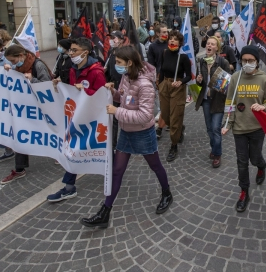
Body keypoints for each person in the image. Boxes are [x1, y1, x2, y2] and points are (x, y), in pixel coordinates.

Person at [80, 46, 172, 228]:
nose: (116, 65)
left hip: (143, 133)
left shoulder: (146, 85)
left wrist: (117, 111)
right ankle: (105, 212)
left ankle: (167, 193)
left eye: (119, 62)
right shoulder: (126, 77)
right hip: (126, 133)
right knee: (117, 170)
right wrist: (113, 92)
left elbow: (145, 116)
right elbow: (122, 98)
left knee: (155, 165)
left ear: (130, 63)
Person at [47, 38, 106, 202]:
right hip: (77, 117)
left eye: (74, 50)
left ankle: (70, 186)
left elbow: (102, 96)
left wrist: (86, 90)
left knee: (86, 149)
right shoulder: (73, 69)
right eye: (70, 50)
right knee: (73, 150)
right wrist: (60, 84)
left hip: (92, 118)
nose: (70, 53)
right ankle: (69, 187)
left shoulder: (96, 71)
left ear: (85, 53)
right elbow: (73, 92)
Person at [221, 45, 266, 212]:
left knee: (254, 158)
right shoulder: (235, 78)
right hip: (239, 127)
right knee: (242, 162)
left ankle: (261, 165)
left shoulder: (265, 80)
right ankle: (244, 190)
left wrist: (264, 107)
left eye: (251, 60)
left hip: (258, 127)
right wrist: (227, 124)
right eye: (244, 60)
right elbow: (230, 102)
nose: (247, 63)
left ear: (257, 62)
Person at [0, 45, 52, 185]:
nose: (13, 63)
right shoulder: (17, 67)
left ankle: (60, 153)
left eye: (14, 60)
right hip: (25, 107)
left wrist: (32, 79)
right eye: (10, 61)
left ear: (21, 55)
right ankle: (19, 168)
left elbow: (47, 85)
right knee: (20, 134)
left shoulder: (38, 65)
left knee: (51, 131)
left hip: (41, 107)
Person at [195, 37, 231, 168]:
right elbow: (200, 82)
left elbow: (229, 82)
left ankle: (217, 154)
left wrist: (220, 81)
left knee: (216, 128)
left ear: (217, 48)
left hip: (218, 100)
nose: (209, 46)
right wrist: (199, 80)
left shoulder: (223, 62)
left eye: (212, 44)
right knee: (209, 129)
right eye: (208, 44)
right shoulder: (202, 61)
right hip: (206, 100)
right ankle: (214, 148)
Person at [158, 30, 191, 161]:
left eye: (175, 39)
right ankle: (179, 128)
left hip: (177, 87)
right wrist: (160, 85)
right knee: (166, 116)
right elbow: (161, 69)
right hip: (165, 85)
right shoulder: (165, 53)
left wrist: (181, 82)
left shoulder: (183, 57)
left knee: (175, 116)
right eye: (170, 38)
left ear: (180, 42)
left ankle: (174, 145)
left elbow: (189, 75)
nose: (172, 40)